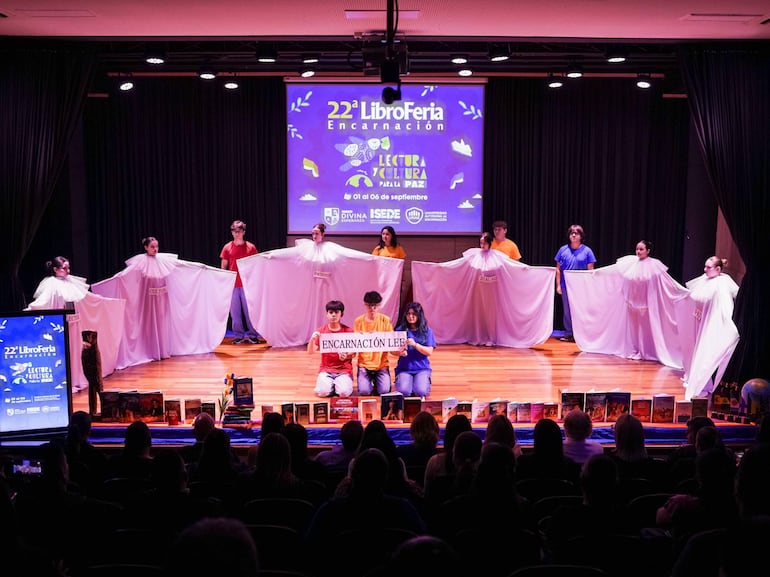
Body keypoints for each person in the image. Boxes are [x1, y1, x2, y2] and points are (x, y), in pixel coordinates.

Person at [92, 235, 235, 369]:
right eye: (152, 247)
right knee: (151, 325)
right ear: (146, 248)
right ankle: (153, 351)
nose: (155, 249)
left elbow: (181, 264)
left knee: (163, 324)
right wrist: (117, 277)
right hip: (149, 301)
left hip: (163, 300)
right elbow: (127, 273)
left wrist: (199, 266)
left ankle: (163, 351)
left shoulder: (163, 260)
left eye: (157, 246)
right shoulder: (141, 262)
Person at [564, 239, 688, 366]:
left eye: (641, 249)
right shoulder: (630, 262)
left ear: (648, 251)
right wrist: (593, 274)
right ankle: (634, 350)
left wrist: (681, 291)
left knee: (643, 330)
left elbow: (666, 281)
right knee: (633, 330)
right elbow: (611, 271)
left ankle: (645, 351)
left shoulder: (653, 265)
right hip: (631, 303)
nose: (638, 251)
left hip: (645, 305)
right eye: (637, 249)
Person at [679, 256, 740, 400]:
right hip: (699, 323)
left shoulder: (722, 284)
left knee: (707, 355)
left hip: (712, 325)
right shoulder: (704, 280)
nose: (704, 270)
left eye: (708, 267)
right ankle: (702, 381)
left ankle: (702, 383)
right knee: (697, 353)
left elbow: (725, 307)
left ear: (718, 269)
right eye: (705, 266)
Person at [220, 219, 264, 344]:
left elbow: (256, 265)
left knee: (249, 311)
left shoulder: (251, 247)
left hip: (247, 285)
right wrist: (224, 283)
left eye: (239, 231)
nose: (236, 234)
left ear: (243, 232)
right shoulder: (227, 247)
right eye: (234, 231)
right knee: (235, 313)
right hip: (233, 285)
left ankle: (252, 334)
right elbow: (224, 266)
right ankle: (238, 335)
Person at [554, 224, 596, 342]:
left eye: (576, 233)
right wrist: (558, 285)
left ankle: (582, 334)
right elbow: (558, 269)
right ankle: (569, 333)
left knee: (581, 309)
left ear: (581, 236)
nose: (573, 235)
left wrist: (589, 286)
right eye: (571, 233)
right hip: (565, 285)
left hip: (581, 286)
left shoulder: (587, 251)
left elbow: (590, 270)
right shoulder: (563, 250)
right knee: (567, 310)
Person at [308, 300, 355, 397]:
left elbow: (354, 353)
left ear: (342, 314)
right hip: (326, 370)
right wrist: (312, 339)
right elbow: (310, 351)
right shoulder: (321, 331)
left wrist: (346, 356)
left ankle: (336, 385)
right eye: (331, 312)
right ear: (327, 314)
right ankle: (331, 385)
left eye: (336, 312)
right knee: (322, 392)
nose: (333, 315)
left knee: (344, 393)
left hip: (344, 370)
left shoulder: (349, 331)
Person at [354, 291, 394, 396]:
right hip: (364, 364)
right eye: (369, 305)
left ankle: (377, 381)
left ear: (379, 305)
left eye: (375, 305)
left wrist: (379, 336)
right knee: (364, 391)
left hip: (381, 364)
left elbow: (391, 342)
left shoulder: (386, 320)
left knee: (384, 391)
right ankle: (368, 381)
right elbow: (354, 343)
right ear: (365, 305)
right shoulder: (358, 321)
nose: (372, 308)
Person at [394, 302, 436, 398]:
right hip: (404, 369)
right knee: (404, 392)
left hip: (421, 368)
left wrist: (415, 345)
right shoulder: (400, 330)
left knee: (421, 392)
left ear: (419, 315)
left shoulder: (427, 331)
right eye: (408, 314)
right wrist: (399, 353)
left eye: (414, 314)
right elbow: (392, 351)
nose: (410, 316)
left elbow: (429, 351)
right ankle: (408, 383)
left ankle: (421, 382)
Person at [25, 256, 89, 310]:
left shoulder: (70, 280)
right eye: (64, 268)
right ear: (55, 269)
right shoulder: (51, 284)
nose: (68, 271)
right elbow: (43, 301)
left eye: (68, 268)